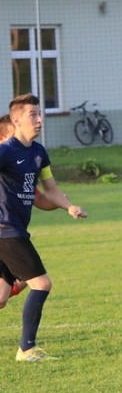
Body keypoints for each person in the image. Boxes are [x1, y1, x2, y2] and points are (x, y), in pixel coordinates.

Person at [0, 94, 88, 362]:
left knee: (1, 296)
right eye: (33, 115)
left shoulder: (39, 153)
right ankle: (26, 349)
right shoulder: (6, 151)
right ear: (16, 120)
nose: (39, 119)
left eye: (40, 113)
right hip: (6, 230)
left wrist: (68, 207)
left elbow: (50, 190)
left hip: (14, 229)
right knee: (42, 283)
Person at [0, 114, 57, 310]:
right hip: (7, 234)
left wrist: (61, 202)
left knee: (2, 297)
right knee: (39, 280)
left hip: (12, 234)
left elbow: (38, 198)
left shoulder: (18, 170)